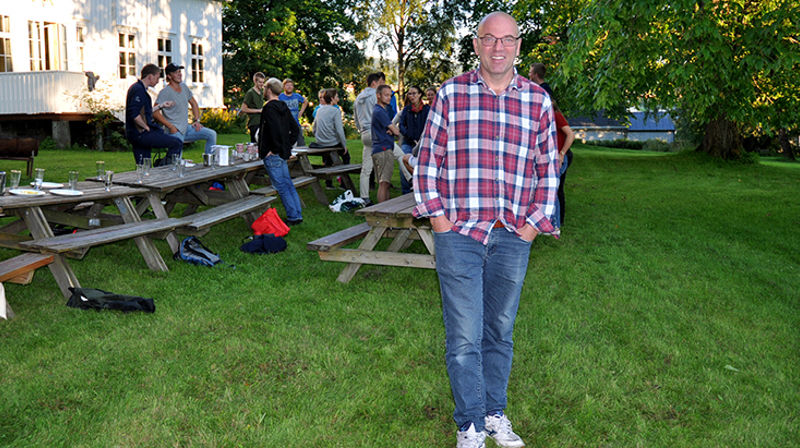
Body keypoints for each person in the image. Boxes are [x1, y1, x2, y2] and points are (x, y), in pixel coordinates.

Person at [412, 11, 559, 448]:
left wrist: (532, 227)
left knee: (500, 329)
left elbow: (548, 169)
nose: (499, 48)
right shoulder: (452, 93)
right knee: (463, 333)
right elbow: (427, 162)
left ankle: (495, 413)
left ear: (518, 46)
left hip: (514, 233)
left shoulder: (537, 101)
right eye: (489, 39)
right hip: (460, 232)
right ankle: (471, 423)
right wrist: (438, 218)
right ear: (476, 45)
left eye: (508, 39)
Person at [259, 77, 303, 225]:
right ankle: (297, 213)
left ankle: (293, 216)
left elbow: (274, 130)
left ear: (269, 89)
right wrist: (287, 146)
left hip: (274, 154)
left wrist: (273, 149)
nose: (263, 90)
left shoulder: (269, 108)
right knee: (288, 183)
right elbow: (295, 128)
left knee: (282, 187)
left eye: (265, 87)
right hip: (282, 152)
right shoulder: (283, 106)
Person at [154, 62, 217, 155]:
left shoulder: (184, 87)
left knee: (211, 134)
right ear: (169, 76)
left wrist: (197, 121)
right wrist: (170, 126)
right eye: (176, 72)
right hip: (174, 131)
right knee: (176, 161)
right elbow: (154, 112)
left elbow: (194, 104)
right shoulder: (165, 92)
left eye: (180, 71)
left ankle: (210, 162)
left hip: (187, 128)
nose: (179, 74)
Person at [125, 63, 182, 165]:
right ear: (150, 76)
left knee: (144, 166)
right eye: (157, 78)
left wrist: (161, 106)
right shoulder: (138, 90)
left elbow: (145, 112)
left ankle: (150, 175)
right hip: (140, 134)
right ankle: (163, 167)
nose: (158, 81)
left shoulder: (139, 89)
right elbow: (134, 114)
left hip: (136, 134)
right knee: (176, 143)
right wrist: (146, 127)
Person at [353, 72, 386, 204]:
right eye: (382, 82)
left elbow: (355, 119)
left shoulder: (359, 98)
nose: (384, 85)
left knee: (366, 169)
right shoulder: (376, 96)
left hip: (365, 134)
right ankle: (411, 180)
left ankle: (364, 197)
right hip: (376, 133)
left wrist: (361, 130)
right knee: (400, 155)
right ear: (375, 83)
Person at [311, 88, 350, 188]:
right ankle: (344, 183)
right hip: (332, 142)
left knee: (328, 158)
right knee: (346, 157)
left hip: (320, 142)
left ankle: (329, 183)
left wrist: (318, 138)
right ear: (332, 98)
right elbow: (339, 131)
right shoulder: (335, 111)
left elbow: (314, 128)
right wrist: (344, 145)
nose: (338, 98)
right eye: (337, 96)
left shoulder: (319, 110)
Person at [397, 85, 430, 194]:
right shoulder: (406, 110)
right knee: (403, 162)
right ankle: (406, 191)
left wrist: (421, 139)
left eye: (414, 93)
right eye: (409, 94)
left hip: (422, 143)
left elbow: (429, 126)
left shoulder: (427, 110)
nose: (411, 96)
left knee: (422, 165)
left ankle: (420, 187)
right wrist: (409, 135)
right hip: (408, 142)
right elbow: (401, 125)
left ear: (420, 94)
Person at [372, 85, 400, 203]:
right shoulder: (380, 111)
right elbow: (396, 132)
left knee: (385, 183)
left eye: (390, 95)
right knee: (384, 183)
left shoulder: (379, 110)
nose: (389, 98)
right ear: (378, 96)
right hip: (383, 149)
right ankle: (381, 213)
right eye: (386, 95)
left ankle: (385, 211)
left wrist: (392, 130)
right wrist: (394, 130)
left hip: (378, 149)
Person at [552, 100, 574, 228]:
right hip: (553, 158)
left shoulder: (556, 115)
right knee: (555, 189)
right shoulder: (546, 117)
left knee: (553, 190)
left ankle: (556, 224)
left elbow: (571, 134)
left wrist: (561, 153)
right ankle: (554, 222)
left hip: (561, 158)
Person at [279, 78, 307, 146]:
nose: (289, 87)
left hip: (296, 123)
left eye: (291, 85)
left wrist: (301, 111)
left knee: (301, 144)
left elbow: (305, 101)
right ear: (283, 87)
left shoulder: (296, 96)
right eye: (287, 85)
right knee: (285, 144)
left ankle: (301, 156)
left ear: (293, 87)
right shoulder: (280, 97)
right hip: (284, 125)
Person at [240, 72, 266, 143]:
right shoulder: (250, 93)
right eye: (260, 82)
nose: (262, 84)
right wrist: (258, 111)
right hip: (254, 123)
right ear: (255, 81)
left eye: (263, 82)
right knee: (255, 144)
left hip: (261, 122)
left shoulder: (261, 92)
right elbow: (243, 108)